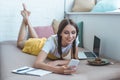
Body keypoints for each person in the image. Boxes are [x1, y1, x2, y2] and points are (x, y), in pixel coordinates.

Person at [17, 3, 79, 75]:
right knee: (20, 43)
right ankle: (25, 18)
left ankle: (27, 18)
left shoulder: (75, 38)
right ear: (60, 33)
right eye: (66, 32)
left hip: (45, 42)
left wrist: (57, 62)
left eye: (73, 32)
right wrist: (58, 70)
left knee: (37, 38)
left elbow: (75, 59)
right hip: (38, 46)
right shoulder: (51, 41)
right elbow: (37, 63)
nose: (70, 36)